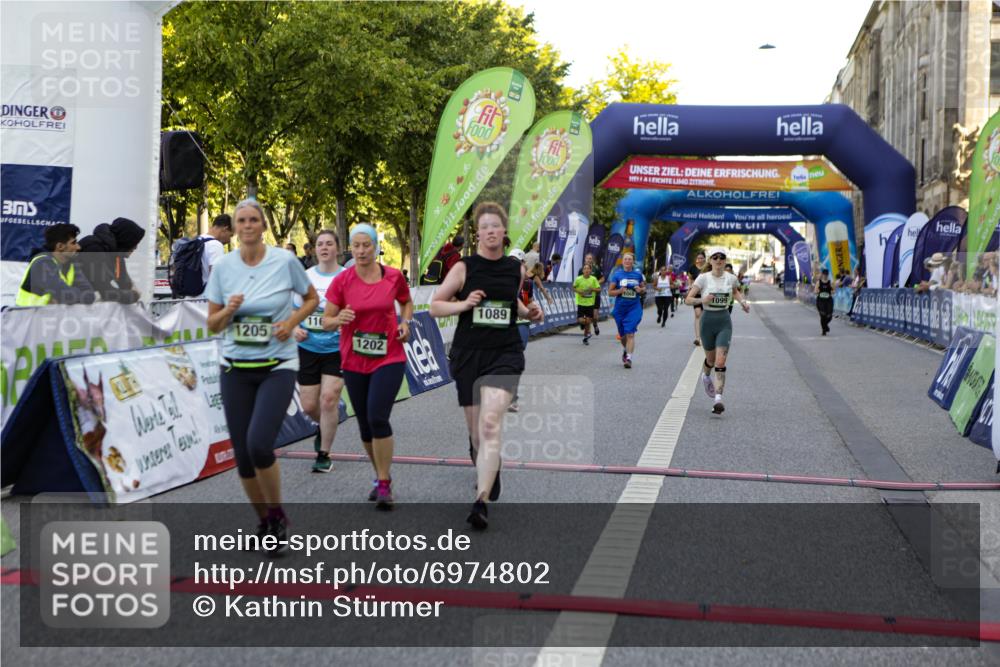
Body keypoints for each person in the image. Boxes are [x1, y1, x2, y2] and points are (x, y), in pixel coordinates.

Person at [205, 199, 319, 555]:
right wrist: (229, 310)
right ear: (235, 227)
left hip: (277, 365)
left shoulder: (284, 261)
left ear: (263, 226)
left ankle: (277, 511)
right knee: (242, 455)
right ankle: (265, 521)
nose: (248, 225)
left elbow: (311, 299)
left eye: (254, 220)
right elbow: (212, 324)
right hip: (235, 368)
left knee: (258, 444)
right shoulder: (223, 267)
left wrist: (291, 322)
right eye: (241, 220)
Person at [430, 202, 543, 530]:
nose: (491, 231)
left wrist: (530, 313)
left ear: (504, 232)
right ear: (477, 233)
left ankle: (480, 501)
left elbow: (513, 304)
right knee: (477, 433)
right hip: (469, 354)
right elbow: (436, 306)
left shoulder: (514, 269)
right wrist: (464, 304)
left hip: (505, 353)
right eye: (485, 227)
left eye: (496, 226)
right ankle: (485, 460)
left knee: (491, 423)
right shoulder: (463, 268)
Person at [323, 223, 413, 509]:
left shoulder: (393, 276)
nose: (361, 251)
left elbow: (406, 302)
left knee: (377, 417)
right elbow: (326, 321)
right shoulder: (342, 281)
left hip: (389, 357)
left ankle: (384, 483)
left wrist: (405, 322)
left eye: (366, 245)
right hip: (354, 359)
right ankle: (380, 476)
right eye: (356, 246)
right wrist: (338, 319)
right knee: (364, 425)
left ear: (376, 247)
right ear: (350, 248)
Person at [293, 230, 346, 473]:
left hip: (337, 348)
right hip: (308, 348)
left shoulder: (346, 277)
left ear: (338, 248)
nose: (324, 248)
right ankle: (324, 424)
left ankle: (324, 454)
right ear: (314, 250)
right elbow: (290, 308)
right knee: (308, 405)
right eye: (320, 244)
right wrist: (295, 327)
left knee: (328, 399)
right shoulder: (305, 277)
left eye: (329, 244)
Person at [685, 247, 749, 415]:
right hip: (707, 321)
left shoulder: (731, 278)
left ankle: (718, 400)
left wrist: (743, 303)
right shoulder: (703, 278)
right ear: (710, 260)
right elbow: (688, 299)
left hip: (724, 321)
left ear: (725, 260)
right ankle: (706, 376)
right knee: (711, 360)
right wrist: (702, 299)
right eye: (715, 257)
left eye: (722, 257)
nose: (719, 260)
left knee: (720, 362)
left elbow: (735, 292)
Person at [16, 223, 96, 306]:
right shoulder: (42, 263)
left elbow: (90, 295)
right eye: (73, 243)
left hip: (47, 313)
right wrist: (71, 294)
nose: (78, 247)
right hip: (27, 313)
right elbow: (65, 295)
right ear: (60, 246)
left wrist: (65, 296)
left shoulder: (71, 264)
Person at [76, 217, 146, 304]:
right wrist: (133, 295)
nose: (135, 248)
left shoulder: (116, 254)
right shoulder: (93, 248)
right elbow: (105, 291)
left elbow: (125, 283)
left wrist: (132, 290)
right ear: (125, 240)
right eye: (134, 243)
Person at [608, 251, 646, 369]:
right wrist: (620, 291)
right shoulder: (617, 275)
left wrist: (640, 290)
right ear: (623, 261)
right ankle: (626, 349)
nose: (627, 261)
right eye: (626, 259)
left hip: (634, 307)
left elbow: (643, 288)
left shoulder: (638, 275)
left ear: (633, 262)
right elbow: (610, 292)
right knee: (623, 335)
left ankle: (629, 358)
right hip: (620, 308)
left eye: (630, 259)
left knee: (630, 333)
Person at [199, 214, 233, 290]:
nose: (229, 241)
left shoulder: (198, 239)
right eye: (230, 235)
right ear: (225, 229)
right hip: (203, 295)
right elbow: (216, 279)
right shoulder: (215, 245)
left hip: (188, 295)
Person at [574, 262, 601, 343]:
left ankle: (586, 337)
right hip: (581, 303)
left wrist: (593, 289)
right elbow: (573, 288)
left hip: (590, 304)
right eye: (585, 269)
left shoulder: (594, 279)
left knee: (588, 321)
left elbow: (599, 289)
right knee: (581, 320)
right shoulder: (578, 279)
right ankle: (582, 324)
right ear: (583, 271)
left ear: (590, 271)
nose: (586, 270)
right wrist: (579, 291)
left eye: (588, 269)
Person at [579, 253, 605, 335]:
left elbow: (602, 278)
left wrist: (596, 283)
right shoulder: (581, 270)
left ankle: (595, 324)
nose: (589, 260)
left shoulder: (596, 269)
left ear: (592, 260)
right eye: (587, 258)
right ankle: (587, 329)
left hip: (595, 295)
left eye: (590, 258)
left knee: (595, 316)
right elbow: (578, 281)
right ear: (585, 259)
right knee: (587, 314)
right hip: (585, 296)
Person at [687, 250, 707, 346]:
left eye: (701, 258)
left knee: (705, 316)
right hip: (696, 294)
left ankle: (705, 336)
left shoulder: (708, 268)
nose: (699, 260)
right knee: (698, 314)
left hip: (706, 294)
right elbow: (690, 278)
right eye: (698, 258)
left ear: (705, 258)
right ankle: (698, 338)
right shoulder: (692, 267)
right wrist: (690, 286)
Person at [814, 268, 834, 335]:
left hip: (828, 301)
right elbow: (815, 291)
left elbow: (833, 291)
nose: (825, 276)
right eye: (824, 274)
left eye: (826, 275)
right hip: (821, 301)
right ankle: (824, 330)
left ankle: (825, 325)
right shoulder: (819, 282)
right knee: (823, 315)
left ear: (828, 275)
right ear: (822, 275)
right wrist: (818, 291)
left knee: (829, 316)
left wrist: (832, 291)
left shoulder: (830, 282)